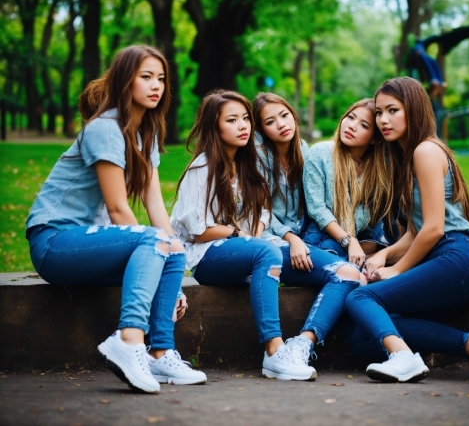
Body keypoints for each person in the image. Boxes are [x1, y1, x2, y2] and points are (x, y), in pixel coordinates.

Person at [25, 45, 206, 394]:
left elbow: (156, 208)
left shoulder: (143, 135)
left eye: (162, 79)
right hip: (55, 242)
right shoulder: (105, 129)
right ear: (125, 81)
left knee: (172, 245)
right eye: (146, 77)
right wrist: (161, 245)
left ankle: (159, 350)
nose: (157, 86)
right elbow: (118, 209)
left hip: (89, 246)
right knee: (155, 239)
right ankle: (129, 338)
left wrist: (175, 274)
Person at [344, 77, 469, 383]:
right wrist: (385, 254)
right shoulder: (410, 157)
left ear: (414, 109)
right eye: (380, 112)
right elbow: (418, 228)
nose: (383, 119)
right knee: (363, 337)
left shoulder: (425, 151)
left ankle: (404, 359)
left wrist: (396, 271)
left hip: (456, 258)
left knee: (361, 299)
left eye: (392, 110)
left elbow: (435, 229)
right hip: (448, 264)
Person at [170, 89, 316, 381]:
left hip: (248, 249)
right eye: (232, 120)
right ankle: (274, 351)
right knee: (268, 252)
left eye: (246, 119)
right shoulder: (203, 167)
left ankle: (303, 342)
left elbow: (261, 213)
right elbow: (197, 230)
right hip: (208, 257)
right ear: (215, 126)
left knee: (319, 265)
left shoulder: (247, 166)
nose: (243, 126)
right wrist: (239, 233)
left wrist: (256, 235)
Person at [252, 92, 364, 373]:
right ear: (260, 129)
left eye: (284, 115)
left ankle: (302, 345)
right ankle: (298, 347)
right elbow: (262, 212)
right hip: (270, 243)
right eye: (270, 121)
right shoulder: (256, 157)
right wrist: (292, 240)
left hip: (303, 241)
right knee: (348, 274)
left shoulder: (302, 149)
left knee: (351, 272)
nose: (280, 124)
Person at [302, 98, 395, 266]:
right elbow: (316, 208)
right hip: (322, 237)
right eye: (351, 117)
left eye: (364, 125)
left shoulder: (376, 171)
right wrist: (350, 242)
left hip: (359, 241)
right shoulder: (321, 153)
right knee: (339, 255)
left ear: (375, 138)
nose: (352, 126)